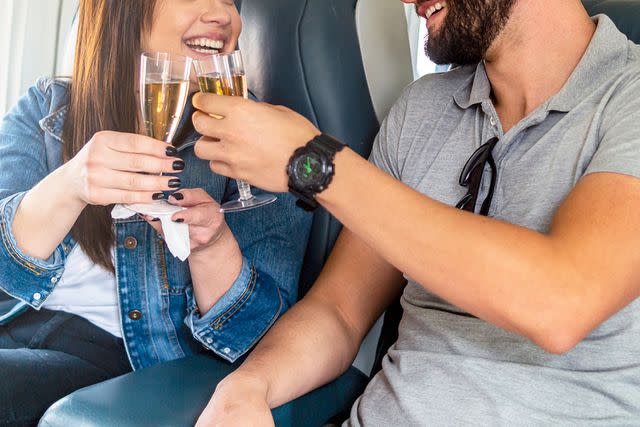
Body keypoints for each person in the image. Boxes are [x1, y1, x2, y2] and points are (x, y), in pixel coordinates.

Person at [190, 0, 640, 424]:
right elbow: (340, 311)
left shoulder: (628, 97)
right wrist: (249, 385)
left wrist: (313, 164)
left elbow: (562, 303)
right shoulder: (421, 108)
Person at [0, 0, 312, 425]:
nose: (223, 14)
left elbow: (263, 343)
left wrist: (212, 247)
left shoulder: (260, 142)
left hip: (123, 365)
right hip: (15, 327)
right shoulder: (47, 108)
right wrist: (70, 185)